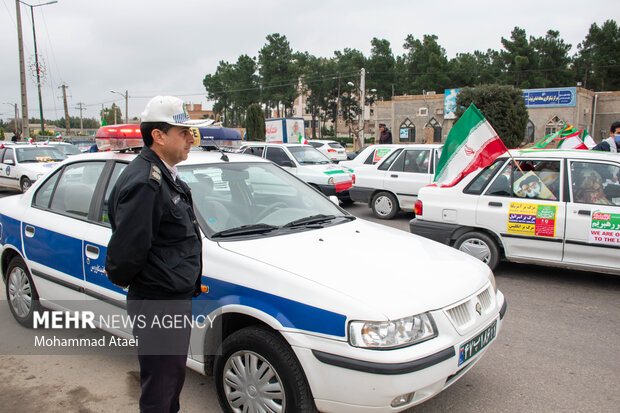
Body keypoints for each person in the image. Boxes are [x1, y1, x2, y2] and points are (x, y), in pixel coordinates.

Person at [105, 96, 210, 413]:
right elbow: (126, 252)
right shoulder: (146, 182)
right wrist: (150, 286)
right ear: (159, 136)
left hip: (167, 297)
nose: (191, 138)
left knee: (169, 382)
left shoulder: (162, 175)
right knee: (160, 390)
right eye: (184, 132)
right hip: (157, 302)